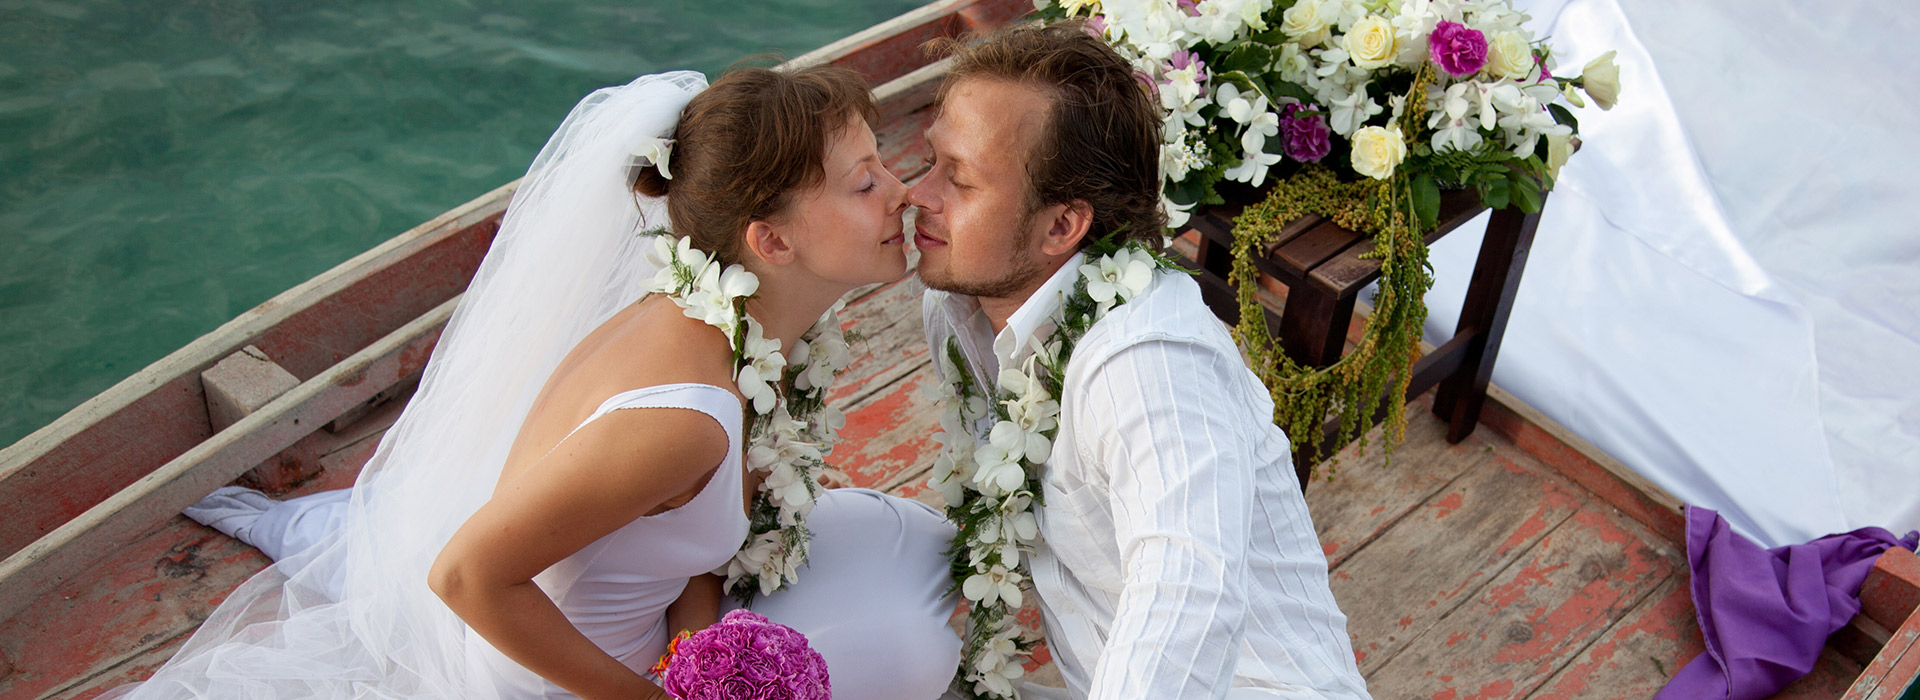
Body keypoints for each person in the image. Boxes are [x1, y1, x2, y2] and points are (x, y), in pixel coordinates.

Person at [133, 66, 960, 700]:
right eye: (865, 183)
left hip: (663, 617)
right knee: (919, 653)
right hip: (566, 673)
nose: (904, 192)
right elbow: (463, 577)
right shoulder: (683, 417)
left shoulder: (730, 325)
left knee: (923, 547)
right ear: (770, 244)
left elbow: (692, 541)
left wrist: (700, 647)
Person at [911, 23, 1374, 700]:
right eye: (929, 161)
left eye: (958, 179)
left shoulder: (1147, 363)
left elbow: (1188, 594)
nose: (917, 193)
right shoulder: (957, 311)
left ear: (1061, 228)